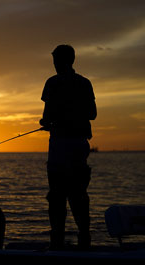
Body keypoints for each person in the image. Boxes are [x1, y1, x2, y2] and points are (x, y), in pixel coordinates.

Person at [39, 44, 97, 250]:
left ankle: (57, 243)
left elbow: (47, 118)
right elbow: (92, 114)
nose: (54, 64)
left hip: (60, 145)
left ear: (60, 61)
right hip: (80, 144)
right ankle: (84, 239)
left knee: (57, 194)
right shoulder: (85, 83)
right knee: (79, 193)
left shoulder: (52, 83)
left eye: (55, 60)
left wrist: (47, 122)